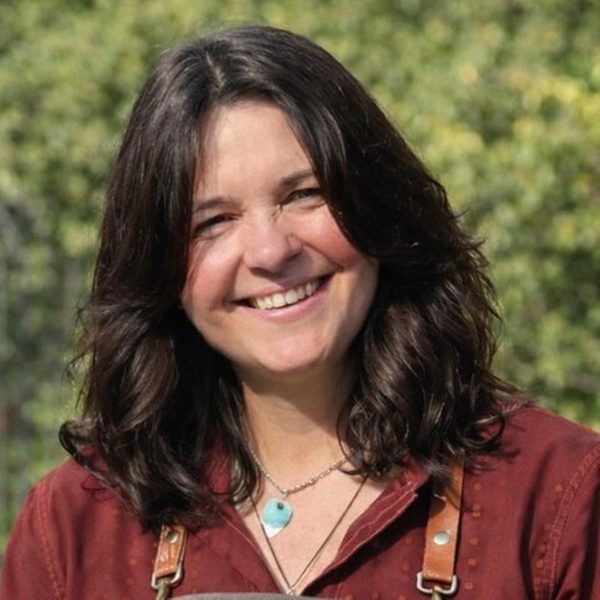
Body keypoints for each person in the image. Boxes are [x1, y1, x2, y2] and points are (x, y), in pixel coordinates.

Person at [1, 24, 598, 600]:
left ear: (378, 208)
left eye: (303, 194)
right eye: (214, 221)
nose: (270, 251)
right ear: (159, 269)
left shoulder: (557, 495)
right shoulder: (74, 529)